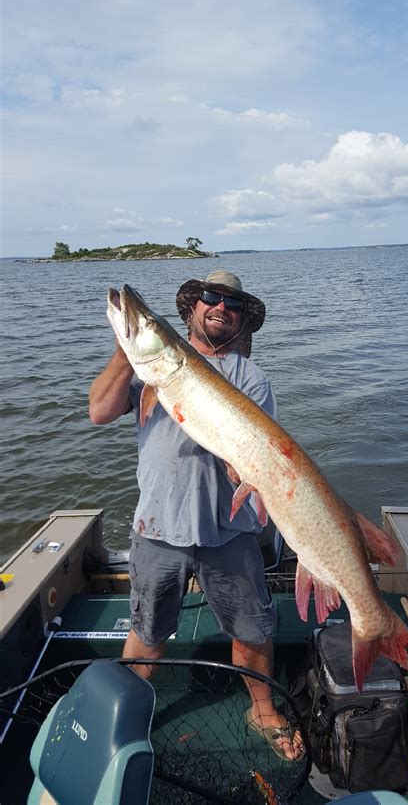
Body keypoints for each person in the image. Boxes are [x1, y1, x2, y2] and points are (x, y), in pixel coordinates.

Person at [89, 269, 303, 761]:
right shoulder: (148, 371)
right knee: (146, 633)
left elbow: (253, 456)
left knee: (252, 632)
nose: (220, 307)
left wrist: (243, 465)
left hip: (228, 532)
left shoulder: (250, 379)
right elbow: (99, 411)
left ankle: (262, 709)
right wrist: (131, 347)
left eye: (232, 303)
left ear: (240, 320)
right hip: (158, 528)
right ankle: (126, 712)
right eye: (211, 297)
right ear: (192, 308)